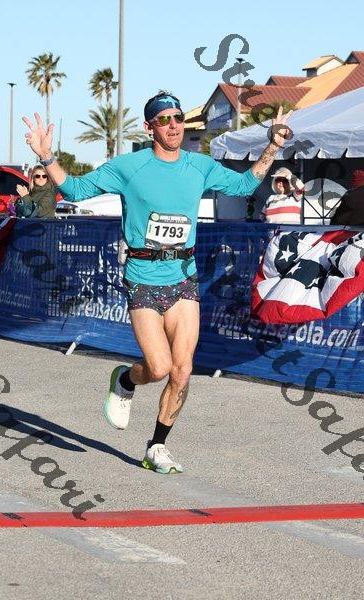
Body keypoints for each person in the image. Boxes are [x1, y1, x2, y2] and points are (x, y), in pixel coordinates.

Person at [22, 92, 292, 474]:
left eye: (178, 117)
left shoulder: (200, 166)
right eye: (164, 119)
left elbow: (245, 185)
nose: (173, 125)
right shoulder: (129, 166)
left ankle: (157, 446)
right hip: (143, 278)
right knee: (160, 366)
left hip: (184, 277)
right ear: (150, 128)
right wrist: (48, 157)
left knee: (182, 370)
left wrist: (273, 146)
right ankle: (126, 379)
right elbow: (76, 190)